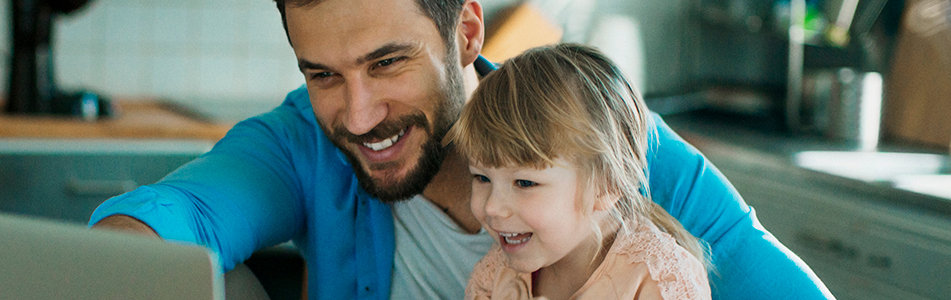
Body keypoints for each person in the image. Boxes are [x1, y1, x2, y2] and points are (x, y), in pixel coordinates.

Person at [90, 0, 832, 299]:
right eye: (322, 74)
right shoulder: (301, 142)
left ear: (466, 33)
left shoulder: (596, 132)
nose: (357, 114)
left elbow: (771, 280)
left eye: (388, 63)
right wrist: (111, 260)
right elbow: (185, 211)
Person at [453, 43, 709, 300]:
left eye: (524, 183)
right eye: (482, 177)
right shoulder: (495, 277)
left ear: (606, 185)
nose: (492, 208)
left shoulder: (659, 280)